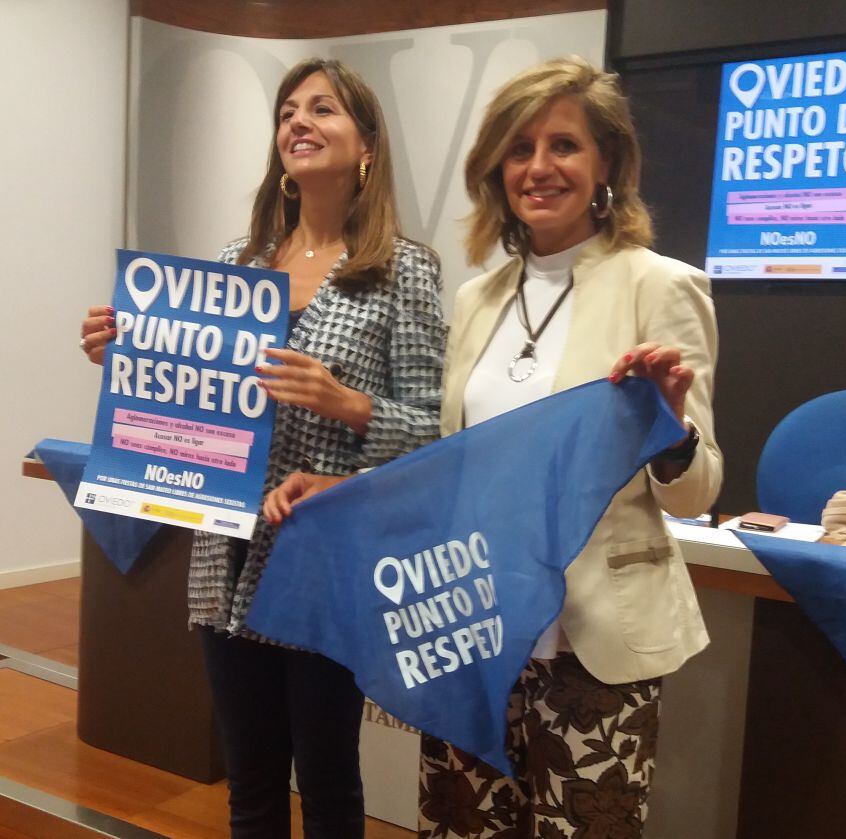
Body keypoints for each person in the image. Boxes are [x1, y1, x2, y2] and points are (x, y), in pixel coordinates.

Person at [265, 55, 721, 838]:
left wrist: (673, 432)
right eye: (520, 148)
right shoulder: (479, 299)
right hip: (470, 633)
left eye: (564, 146)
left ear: (606, 162)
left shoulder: (660, 285)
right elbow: (452, 465)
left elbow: (696, 491)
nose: (539, 167)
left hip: (593, 642)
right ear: (496, 170)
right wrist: (341, 487)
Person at [80, 58, 445, 838]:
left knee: (327, 780)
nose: (298, 122)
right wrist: (127, 357)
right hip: (227, 555)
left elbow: (432, 430)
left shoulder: (404, 270)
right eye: (287, 111)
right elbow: (187, 392)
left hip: (326, 562)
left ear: (368, 145)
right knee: (248, 783)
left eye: (323, 109)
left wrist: (345, 402)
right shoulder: (233, 267)